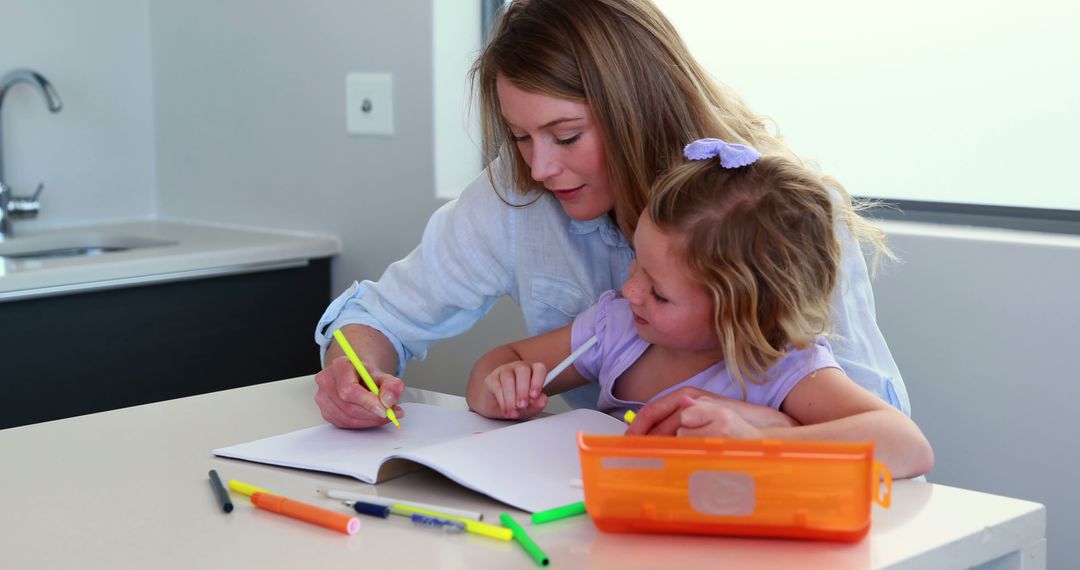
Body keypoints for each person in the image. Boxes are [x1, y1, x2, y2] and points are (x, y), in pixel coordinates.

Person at [313, 0, 910, 430]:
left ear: (637, 113)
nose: (540, 167)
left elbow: (879, 425)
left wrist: (761, 429)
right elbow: (381, 316)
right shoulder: (518, 193)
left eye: (566, 136)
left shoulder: (771, 213)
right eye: (520, 136)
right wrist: (354, 373)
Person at [466, 140, 933, 478]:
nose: (631, 292)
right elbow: (499, 363)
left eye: (660, 293)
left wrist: (762, 442)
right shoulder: (617, 328)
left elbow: (909, 446)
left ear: (744, 313)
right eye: (636, 266)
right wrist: (500, 388)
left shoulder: (778, 368)